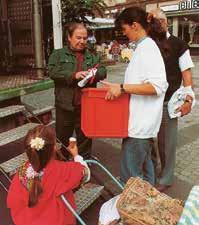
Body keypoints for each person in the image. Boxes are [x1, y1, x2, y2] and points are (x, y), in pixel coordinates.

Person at [101, 7, 168, 185]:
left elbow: (157, 86)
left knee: (131, 178)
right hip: (140, 125)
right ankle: (148, 209)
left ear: (135, 25)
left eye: (125, 29)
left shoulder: (148, 49)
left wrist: (122, 87)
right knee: (146, 176)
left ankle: (133, 211)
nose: (124, 33)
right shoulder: (143, 47)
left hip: (140, 127)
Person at [7, 125, 90, 225]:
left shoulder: (22, 172)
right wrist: (76, 156)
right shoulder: (63, 170)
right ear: (54, 147)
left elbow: (14, 201)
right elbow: (86, 174)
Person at [149, 8, 194, 192]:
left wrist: (188, 99)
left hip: (169, 100)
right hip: (148, 99)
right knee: (146, 138)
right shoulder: (148, 43)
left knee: (166, 142)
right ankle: (151, 172)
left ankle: (166, 178)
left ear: (166, 22)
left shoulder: (179, 44)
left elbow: (187, 73)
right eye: (153, 21)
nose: (157, 24)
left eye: (160, 21)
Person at [48, 22, 107, 159]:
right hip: (65, 106)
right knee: (62, 140)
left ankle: (84, 167)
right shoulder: (58, 54)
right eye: (78, 38)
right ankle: (63, 168)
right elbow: (51, 72)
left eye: (85, 38)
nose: (82, 41)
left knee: (85, 139)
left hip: (86, 106)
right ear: (69, 37)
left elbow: (103, 71)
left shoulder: (92, 55)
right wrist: (73, 75)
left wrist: (93, 74)